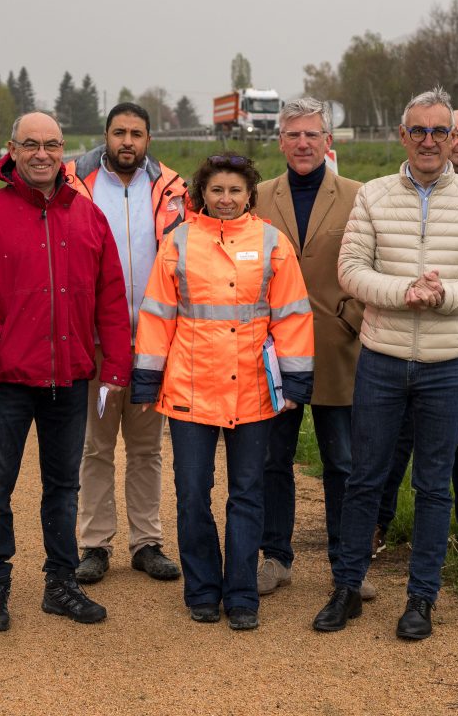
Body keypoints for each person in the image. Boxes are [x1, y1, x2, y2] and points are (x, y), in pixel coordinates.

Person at [313, 87, 458, 641]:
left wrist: (443, 295)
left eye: (439, 132)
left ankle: (421, 598)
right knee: (365, 478)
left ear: (454, 139)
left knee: (433, 486)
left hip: (448, 364)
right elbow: (350, 270)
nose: (429, 140)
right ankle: (347, 587)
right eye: (418, 131)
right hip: (381, 357)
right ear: (403, 136)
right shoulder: (374, 195)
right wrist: (404, 292)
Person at [0, 112, 131, 633]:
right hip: (8, 377)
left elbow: (111, 297)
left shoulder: (86, 216)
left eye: (51, 144)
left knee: (63, 485)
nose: (42, 154)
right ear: (12, 149)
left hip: (69, 378)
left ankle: (60, 583)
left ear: (64, 150)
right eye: (31, 144)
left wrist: (114, 366)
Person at [133, 154, 314, 630]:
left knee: (247, 495)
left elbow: (293, 315)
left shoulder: (272, 243)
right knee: (192, 494)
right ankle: (202, 590)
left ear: (250, 194)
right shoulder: (179, 242)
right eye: (217, 191)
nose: (227, 199)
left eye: (235, 191)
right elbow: (157, 315)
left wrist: (295, 382)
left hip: (253, 388)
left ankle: (241, 594)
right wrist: (148, 377)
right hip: (190, 388)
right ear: (202, 195)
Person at [250, 98, 375, 600]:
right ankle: (276, 557)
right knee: (272, 460)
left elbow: (379, 262)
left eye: (312, 135)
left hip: (337, 348)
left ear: (329, 142)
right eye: (294, 135)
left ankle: (349, 565)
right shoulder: (256, 197)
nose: (303, 143)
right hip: (273, 353)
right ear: (280, 142)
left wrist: (353, 317)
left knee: (343, 461)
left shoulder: (358, 196)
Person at [65, 102, 187, 585]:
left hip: (154, 339)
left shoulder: (172, 189)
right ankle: (94, 545)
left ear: (148, 140)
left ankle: (147, 542)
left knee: (147, 448)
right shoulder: (76, 184)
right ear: (106, 136)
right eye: (120, 133)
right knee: (95, 447)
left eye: (137, 134)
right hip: (95, 339)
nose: (127, 142)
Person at [373, 108, 458, 552]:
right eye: (452, 132)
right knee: (394, 446)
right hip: (396, 346)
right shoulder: (388, 193)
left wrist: (445, 297)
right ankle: (379, 524)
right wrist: (408, 291)